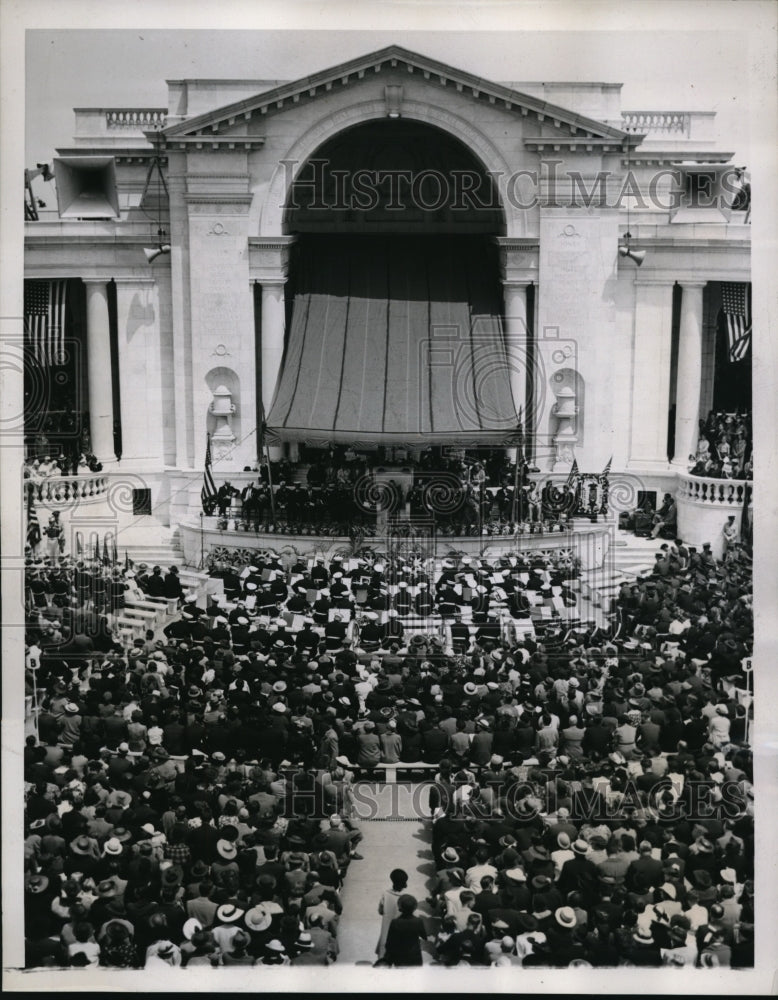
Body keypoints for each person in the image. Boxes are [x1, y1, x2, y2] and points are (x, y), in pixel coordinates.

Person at [381, 894, 427, 967]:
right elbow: (424, 936)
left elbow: (389, 943)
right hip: (415, 956)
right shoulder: (418, 921)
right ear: (414, 907)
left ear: (400, 908)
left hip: (400, 957)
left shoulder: (395, 922)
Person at [375, 868, 409, 962]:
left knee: (383, 956)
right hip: (401, 932)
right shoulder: (406, 898)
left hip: (386, 931)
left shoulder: (385, 894)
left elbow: (380, 911)